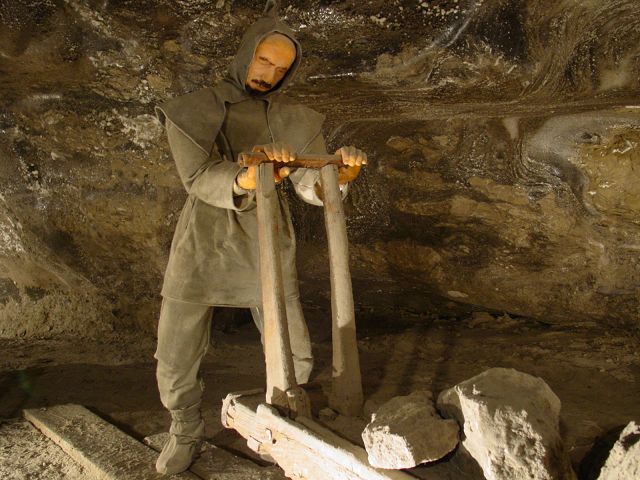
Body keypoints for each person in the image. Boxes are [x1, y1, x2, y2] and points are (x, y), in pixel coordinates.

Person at [152, 2, 366, 475]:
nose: (269, 74)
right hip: (204, 237)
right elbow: (197, 177)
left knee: (292, 349)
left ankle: (282, 422)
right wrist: (249, 177)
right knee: (176, 350)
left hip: (267, 234)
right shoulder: (193, 109)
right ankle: (184, 429)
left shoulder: (296, 119)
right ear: (245, 54)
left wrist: (339, 176)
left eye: (280, 69)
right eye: (263, 61)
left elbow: (311, 186)